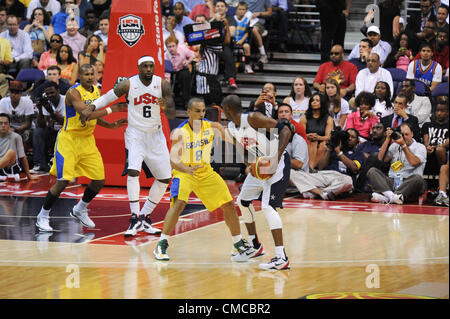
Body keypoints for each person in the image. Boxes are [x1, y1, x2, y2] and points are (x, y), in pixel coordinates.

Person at [81, 56, 176, 238]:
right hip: (135, 134)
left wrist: (167, 107)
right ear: (139, 67)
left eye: (151, 66)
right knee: (133, 172)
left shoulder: (162, 84)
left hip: (156, 136)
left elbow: (172, 112)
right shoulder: (127, 84)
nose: (149, 69)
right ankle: (134, 217)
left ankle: (145, 216)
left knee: (165, 178)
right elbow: (108, 97)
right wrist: (91, 107)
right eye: (145, 66)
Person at [153, 97, 252, 262]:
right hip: (184, 171)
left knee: (229, 204)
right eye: (197, 111)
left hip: (205, 171)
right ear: (189, 112)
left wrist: (249, 162)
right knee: (179, 203)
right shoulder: (180, 132)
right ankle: (162, 243)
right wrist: (186, 169)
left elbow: (234, 141)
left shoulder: (212, 126)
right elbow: (173, 161)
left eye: (203, 111)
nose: (201, 114)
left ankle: (237, 243)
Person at [35, 64, 126, 232]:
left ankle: (80, 209)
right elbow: (86, 113)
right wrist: (113, 108)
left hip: (87, 140)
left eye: (93, 73)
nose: (90, 77)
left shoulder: (96, 92)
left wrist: (110, 126)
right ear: (80, 77)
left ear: (97, 75)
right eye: (86, 74)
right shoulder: (73, 92)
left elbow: (94, 118)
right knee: (62, 182)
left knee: (99, 180)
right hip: (69, 140)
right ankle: (43, 216)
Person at [222, 94, 294, 271]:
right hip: (260, 164)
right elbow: (243, 151)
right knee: (243, 201)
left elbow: (286, 130)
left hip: (278, 162)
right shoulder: (231, 127)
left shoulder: (253, 118)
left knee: (268, 206)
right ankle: (255, 246)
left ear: (229, 110)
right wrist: (250, 165)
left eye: (224, 110)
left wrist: (274, 161)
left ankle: (281, 257)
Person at [368, 122, 427, 204]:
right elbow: (381, 158)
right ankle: (393, 197)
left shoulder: (420, 147)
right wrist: (387, 139)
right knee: (372, 171)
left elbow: (414, 162)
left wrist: (403, 145)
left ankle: (386, 196)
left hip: (408, 183)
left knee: (418, 178)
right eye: (402, 135)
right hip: (393, 181)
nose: (404, 137)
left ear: (412, 134)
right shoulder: (395, 145)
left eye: (406, 134)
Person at [31, 80, 65, 173]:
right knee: (38, 131)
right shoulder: (46, 103)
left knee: (63, 133)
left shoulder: (66, 101)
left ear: (58, 91)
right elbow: (41, 125)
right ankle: (40, 164)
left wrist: (51, 113)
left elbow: (66, 122)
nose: (50, 95)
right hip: (53, 132)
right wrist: (41, 110)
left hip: (66, 133)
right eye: (47, 93)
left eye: (52, 92)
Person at [299, 92, 333, 170]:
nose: (314, 102)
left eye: (317, 100)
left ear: (322, 103)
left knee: (323, 145)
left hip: (322, 142)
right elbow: (300, 135)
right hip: (308, 141)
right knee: (312, 141)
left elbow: (329, 136)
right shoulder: (304, 117)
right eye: (313, 100)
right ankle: (310, 168)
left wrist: (318, 137)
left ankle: (311, 167)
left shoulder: (328, 118)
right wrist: (308, 136)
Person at [0, 80, 34, 149]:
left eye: (17, 93)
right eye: (12, 92)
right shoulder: (3, 101)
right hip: (8, 127)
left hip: (25, 129)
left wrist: (15, 131)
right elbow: (1, 120)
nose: (13, 95)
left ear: (21, 93)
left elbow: (28, 124)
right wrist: (8, 129)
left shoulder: (27, 102)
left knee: (25, 134)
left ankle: (22, 155)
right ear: (9, 92)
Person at [0, 112, 33, 181]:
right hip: (1, 166)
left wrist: (29, 175)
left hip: (11, 166)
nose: (3, 126)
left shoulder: (16, 137)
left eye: (6, 123)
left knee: (11, 152)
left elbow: (23, 157)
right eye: (1, 123)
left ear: (9, 125)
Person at [164, 36, 195, 108]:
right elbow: (167, 71)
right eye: (169, 47)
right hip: (171, 72)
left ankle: (186, 100)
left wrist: (188, 61)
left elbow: (192, 55)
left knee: (185, 75)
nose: (171, 48)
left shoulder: (183, 49)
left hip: (181, 69)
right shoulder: (165, 56)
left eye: (173, 46)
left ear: (177, 46)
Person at [421, 98, 449, 175]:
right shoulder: (427, 125)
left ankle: (443, 174)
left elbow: (447, 143)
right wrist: (428, 146)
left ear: (447, 113)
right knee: (421, 149)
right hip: (429, 149)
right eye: (437, 110)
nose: (439, 113)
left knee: (439, 150)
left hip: (443, 152)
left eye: (442, 111)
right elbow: (425, 140)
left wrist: (435, 147)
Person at [228, 1, 253, 74]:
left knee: (247, 46)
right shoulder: (232, 19)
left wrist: (242, 40)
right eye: (239, 9)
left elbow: (247, 32)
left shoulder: (247, 20)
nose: (241, 11)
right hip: (232, 41)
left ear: (246, 11)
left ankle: (247, 65)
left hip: (242, 41)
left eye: (243, 9)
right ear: (236, 10)